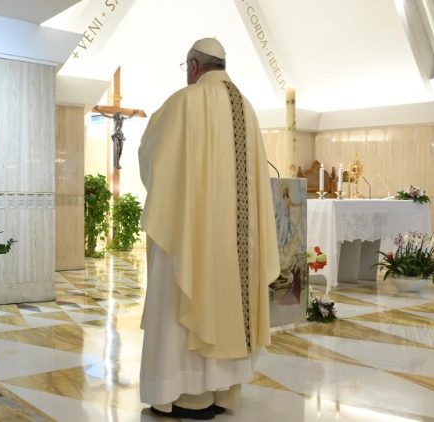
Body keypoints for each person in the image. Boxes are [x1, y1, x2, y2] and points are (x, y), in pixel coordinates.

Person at [138, 38, 280, 419]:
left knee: (184, 302)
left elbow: (152, 155)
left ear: (194, 67)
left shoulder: (185, 102)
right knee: (232, 302)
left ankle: (185, 396)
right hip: (238, 247)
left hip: (190, 235)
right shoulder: (247, 110)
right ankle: (221, 394)